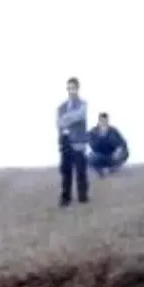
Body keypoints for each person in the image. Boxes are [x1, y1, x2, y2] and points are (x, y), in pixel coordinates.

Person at [56, 77, 89, 207]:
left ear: (77, 89)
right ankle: (66, 197)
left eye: (73, 88)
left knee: (81, 170)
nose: (71, 91)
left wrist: (66, 119)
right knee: (66, 170)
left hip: (79, 142)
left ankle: (83, 196)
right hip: (65, 142)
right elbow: (59, 123)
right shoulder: (61, 107)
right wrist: (67, 120)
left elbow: (79, 116)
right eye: (69, 88)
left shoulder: (83, 104)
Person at [87, 113, 129, 178]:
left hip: (113, 155)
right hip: (100, 155)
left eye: (105, 120)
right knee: (91, 157)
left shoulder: (113, 130)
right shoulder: (93, 131)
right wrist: (101, 136)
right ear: (99, 121)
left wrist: (119, 149)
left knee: (125, 152)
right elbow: (92, 145)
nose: (104, 122)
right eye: (102, 121)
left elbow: (123, 142)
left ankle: (113, 168)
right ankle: (100, 171)